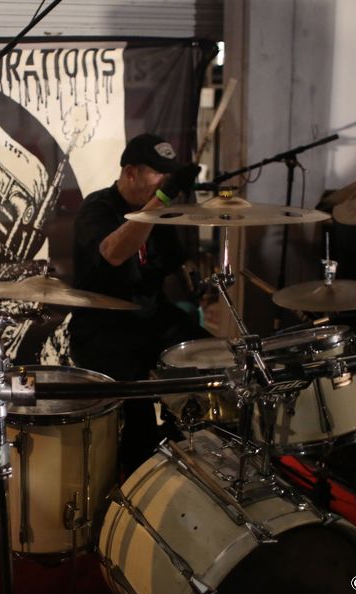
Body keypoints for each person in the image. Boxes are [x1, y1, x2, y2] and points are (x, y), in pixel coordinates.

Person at [69, 133, 209, 475]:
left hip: (150, 317)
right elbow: (114, 253)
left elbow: (178, 262)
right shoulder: (97, 208)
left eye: (169, 175)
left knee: (212, 355)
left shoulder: (159, 212)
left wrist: (197, 281)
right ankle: (137, 474)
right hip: (104, 329)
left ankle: (192, 440)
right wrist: (160, 200)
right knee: (138, 427)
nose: (165, 182)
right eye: (158, 173)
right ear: (130, 173)